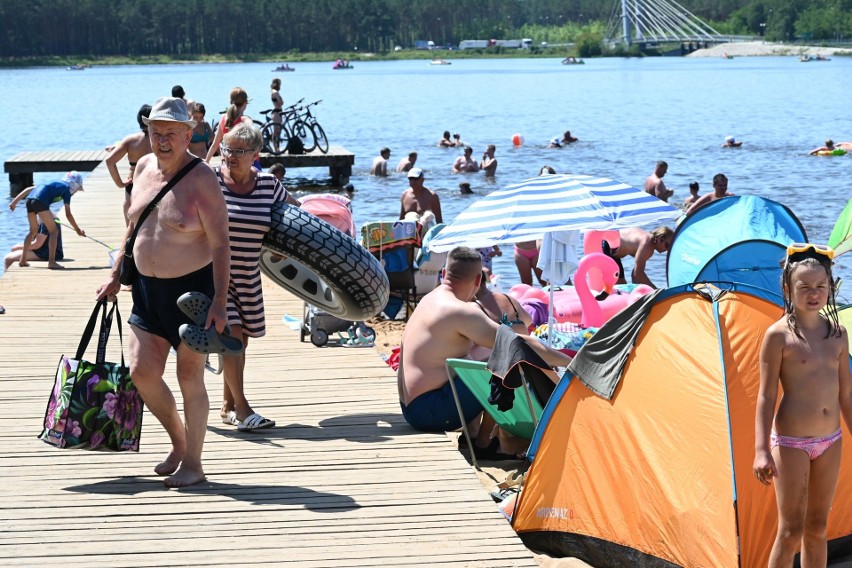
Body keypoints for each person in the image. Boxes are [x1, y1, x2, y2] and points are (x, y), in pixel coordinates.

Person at [96, 97, 231, 488]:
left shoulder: (202, 178)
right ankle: (179, 443)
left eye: (171, 133)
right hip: (145, 290)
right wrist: (115, 272)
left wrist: (221, 302)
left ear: (188, 133)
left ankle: (195, 463)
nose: (162, 140)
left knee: (189, 376)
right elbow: (132, 226)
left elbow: (222, 244)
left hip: (192, 293)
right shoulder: (141, 166)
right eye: (156, 132)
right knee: (141, 373)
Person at [397, 247, 570, 454]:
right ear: (479, 280)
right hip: (431, 411)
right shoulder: (461, 311)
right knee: (508, 357)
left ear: (443, 273)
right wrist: (569, 361)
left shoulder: (430, 300)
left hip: (411, 407)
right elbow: (518, 344)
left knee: (484, 354)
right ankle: (484, 444)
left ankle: (472, 434)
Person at [754, 243, 851, 567]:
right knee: (790, 530)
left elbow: (846, 394)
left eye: (821, 287)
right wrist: (761, 450)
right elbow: (766, 396)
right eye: (804, 287)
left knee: (818, 528)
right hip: (791, 442)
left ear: (831, 288)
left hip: (831, 441)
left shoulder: (838, 335)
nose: (814, 293)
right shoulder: (778, 336)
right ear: (787, 287)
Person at [214, 123, 301, 431]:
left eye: (238, 151)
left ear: (255, 154)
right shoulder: (211, 181)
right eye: (226, 149)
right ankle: (242, 409)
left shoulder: (268, 185)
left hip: (248, 274)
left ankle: (226, 405)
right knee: (233, 337)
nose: (230, 156)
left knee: (241, 343)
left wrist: (283, 250)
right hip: (213, 276)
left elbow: (296, 216)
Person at [8, 171, 85, 269]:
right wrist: (77, 230)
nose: (75, 192)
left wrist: (14, 202)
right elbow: (68, 214)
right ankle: (51, 262)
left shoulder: (55, 183)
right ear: (74, 186)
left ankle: (23, 260)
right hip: (40, 201)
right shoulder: (66, 190)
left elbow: (28, 189)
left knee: (32, 231)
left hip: (29, 200)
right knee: (54, 231)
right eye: (77, 189)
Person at [105, 104, 153, 224]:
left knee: (130, 224)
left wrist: (120, 183)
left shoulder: (131, 140)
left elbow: (109, 161)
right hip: (154, 181)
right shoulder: (160, 140)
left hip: (133, 181)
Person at [602, 226, 674, 288]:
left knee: (622, 285)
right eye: (667, 246)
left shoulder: (648, 242)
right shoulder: (647, 245)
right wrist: (656, 291)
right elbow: (638, 274)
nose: (667, 250)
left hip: (612, 246)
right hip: (608, 245)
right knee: (620, 285)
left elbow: (635, 275)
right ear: (660, 238)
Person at [205, 87, 253, 163]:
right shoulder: (246, 120)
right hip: (243, 162)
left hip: (228, 161)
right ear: (245, 103)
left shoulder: (223, 118)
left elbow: (215, 144)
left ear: (230, 102)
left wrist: (206, 161)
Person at [270, 78, 284, 154]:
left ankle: (277, 148)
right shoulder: (275, 92)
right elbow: (281, 103)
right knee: (276, 132)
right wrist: (281, 101)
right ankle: (275, 149)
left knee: (278, 132)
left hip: (278, 112)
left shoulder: (274, 92)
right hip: (277, 113)